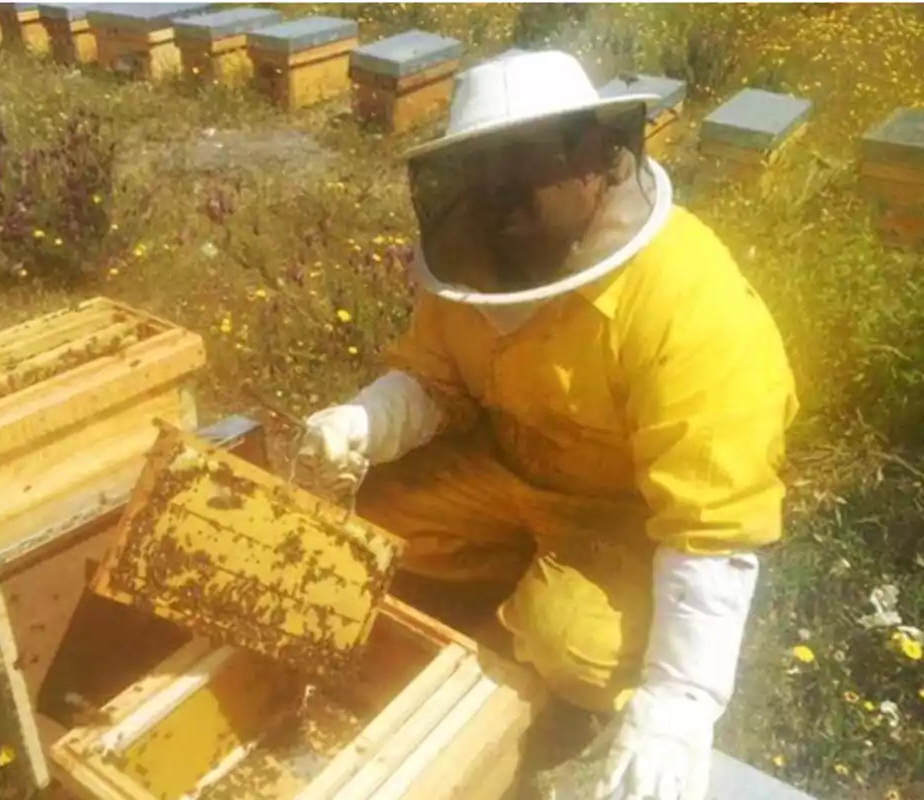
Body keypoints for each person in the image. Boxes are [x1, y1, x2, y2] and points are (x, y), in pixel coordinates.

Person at [300, 50, 798, 800]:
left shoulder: (691, 305)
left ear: (597, 159)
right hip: (508, 474)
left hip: (631, 518)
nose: (499, 196)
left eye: (523, 169)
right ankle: (523, 574)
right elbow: (436, 379)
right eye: (483, 171)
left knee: (572, 644)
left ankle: (563, 618)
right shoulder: (476, 257)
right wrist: (362, 421)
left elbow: (710, 527)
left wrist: (679, 704)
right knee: (367, 529)